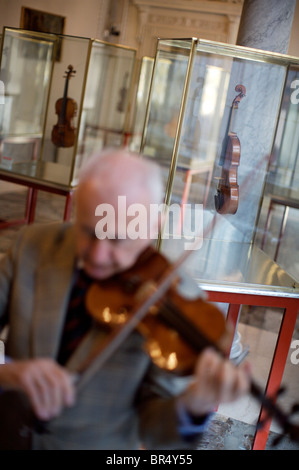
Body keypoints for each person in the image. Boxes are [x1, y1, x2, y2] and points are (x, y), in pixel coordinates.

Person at [0, 147, 250, 450]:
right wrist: (8, 371)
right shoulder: (32, 245)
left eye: (117, 239)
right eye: (88, 232)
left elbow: (157, 432)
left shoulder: (179, 299)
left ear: (153, 227)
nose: (98, 254)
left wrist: (193, 405)